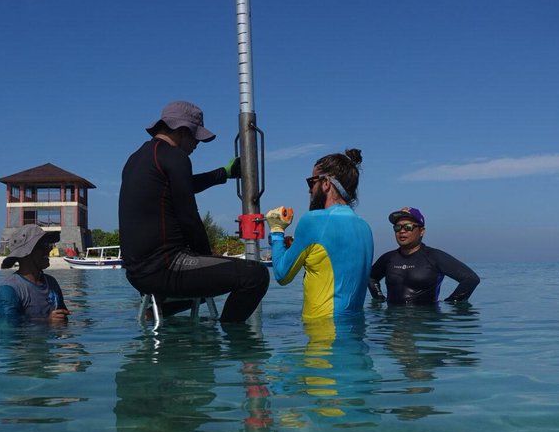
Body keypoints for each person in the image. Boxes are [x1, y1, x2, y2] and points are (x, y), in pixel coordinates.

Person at [119, 100, 270, 323]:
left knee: (205, 284)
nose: (197, 144)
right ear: (181, 130)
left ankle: (155, 314)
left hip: (137, 274)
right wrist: (207, 256)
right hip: (165, 268)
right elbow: (189, 217)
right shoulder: (176, 157)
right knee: (256, 276)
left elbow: (182, 185)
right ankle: (232, 340)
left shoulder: (137, 159)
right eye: (195, 137)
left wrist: (223, 173)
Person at [265, 149, 374, 318]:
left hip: (324, 334)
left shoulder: (312, 220)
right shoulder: (365, 227)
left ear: (326, 183)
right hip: (355, 331)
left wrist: (277, 230)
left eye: (311, 182)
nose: (310, 190)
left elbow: (282, 275)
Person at [369, 207, 479, 305]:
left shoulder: (434, 257)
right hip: (393, 324)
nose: (402, 231)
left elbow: (471, 279)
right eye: (397, 227)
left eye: (408, 227)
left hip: (425, 323)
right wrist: (379, 299)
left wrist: (452, 303)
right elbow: (371, 277)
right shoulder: (388, 258)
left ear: (421, 231)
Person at [0, 224, 70, 323]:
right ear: (26, 252)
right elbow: (9, 331)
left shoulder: (52, 283)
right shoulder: (9, 290)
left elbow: (63, 318)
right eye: (43, 246)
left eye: (48, 245)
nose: (48, 250)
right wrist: (47, 321)